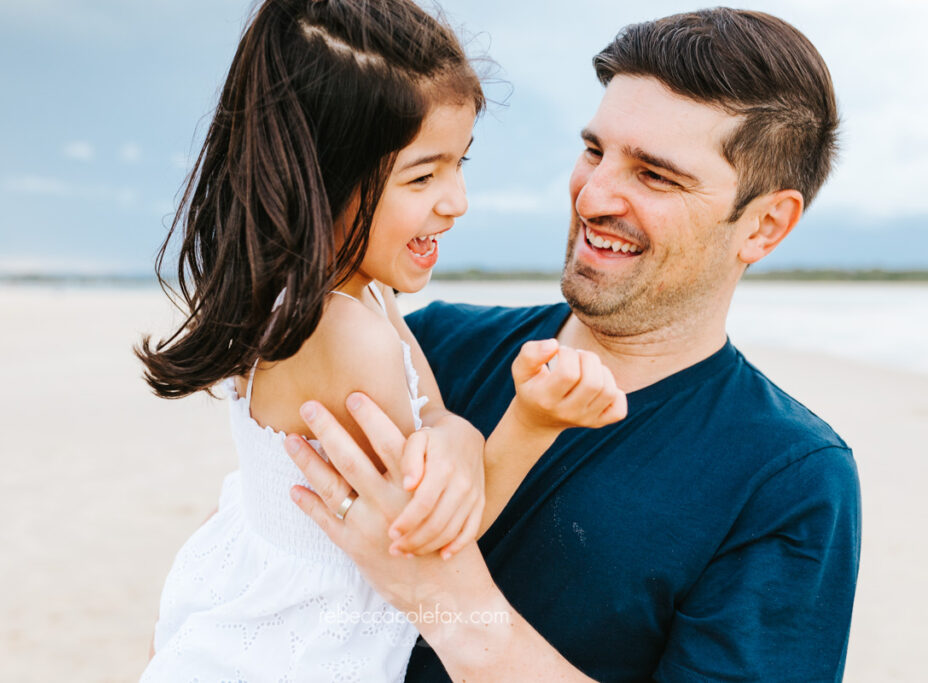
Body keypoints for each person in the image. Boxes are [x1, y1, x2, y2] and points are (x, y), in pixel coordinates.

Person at [286, 8, 861, 682]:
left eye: (654, 175)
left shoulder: (788, 478)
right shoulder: (427, 347)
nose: (592, 196)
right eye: (594, 151)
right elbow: (250, 564)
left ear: (764, 225)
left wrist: (445, 599)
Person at [135, 1, 625, 680]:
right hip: (292, 653)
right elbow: (438, 533)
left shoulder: (345, 292)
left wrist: (452, 431)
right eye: (423, 176)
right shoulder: (342, 336)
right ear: (325, 176)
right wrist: (535, 419)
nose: (456, 199)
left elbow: (428, 415)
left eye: (460, 162)